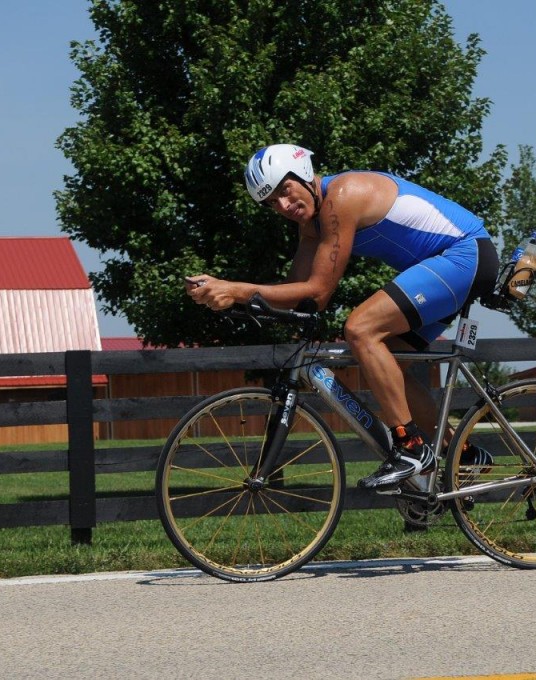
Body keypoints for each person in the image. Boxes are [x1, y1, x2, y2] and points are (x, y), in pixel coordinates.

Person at [185, 143, 498, 490]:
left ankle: (410, 447)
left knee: (360, 329)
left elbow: (318, 291)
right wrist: (233, 301)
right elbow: (299, 297)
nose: (284, 206)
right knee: (388, 364)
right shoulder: (311, 226)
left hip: (463, 254)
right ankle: (462, 453)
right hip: (446, 267)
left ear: (303, 174)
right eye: (271, 203)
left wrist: (237, 288)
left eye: (284, 191)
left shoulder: (341, 196)